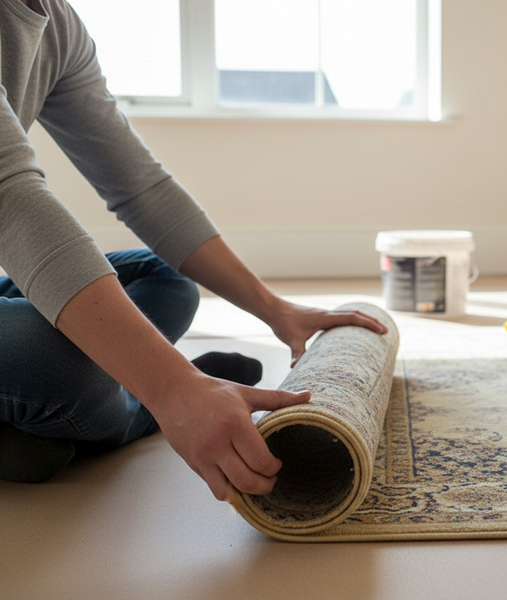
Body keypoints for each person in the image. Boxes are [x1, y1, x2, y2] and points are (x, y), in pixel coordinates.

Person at [0, 0, 387, 501]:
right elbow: (12, 197)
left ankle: (53, 414)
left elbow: (142, 188)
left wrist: (277, 310)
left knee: (164, 277)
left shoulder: (59, 23)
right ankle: (132, 411)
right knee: (69, 366)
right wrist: (171, 388)